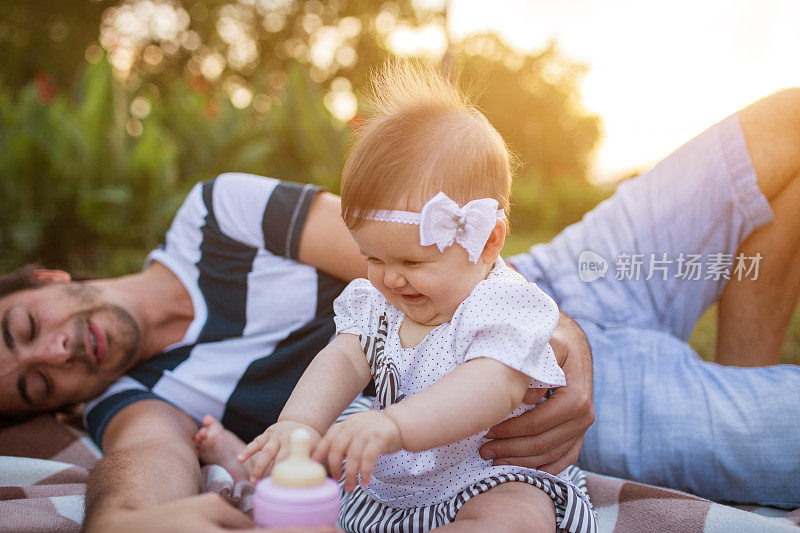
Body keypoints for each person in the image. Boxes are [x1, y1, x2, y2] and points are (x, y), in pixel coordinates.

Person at [0, 87, 798, 531]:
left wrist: (552, 326)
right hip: (515, 416)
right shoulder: (132, 400)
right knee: (777, 436)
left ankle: (731, 396)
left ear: (44, 277)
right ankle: (731, 420)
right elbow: (139, 470)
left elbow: (413, 235)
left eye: (24, 328)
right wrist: (123, 524)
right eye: (35, 388)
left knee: (785, 126)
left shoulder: (217, 216)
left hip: (537, 288)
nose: (55, 355)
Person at [199, 62, 596, 533]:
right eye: (372, 257)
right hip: (387, 487)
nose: (390, 280)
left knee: (517, 515)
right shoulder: (378, 303)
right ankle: (252, 463)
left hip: (488, 477)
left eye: (411, 264)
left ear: (486, 242)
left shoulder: (503, 306)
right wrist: (300, 422)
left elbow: (491, 385)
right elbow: (344, 360)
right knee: (325, 452)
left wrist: (396, 426)